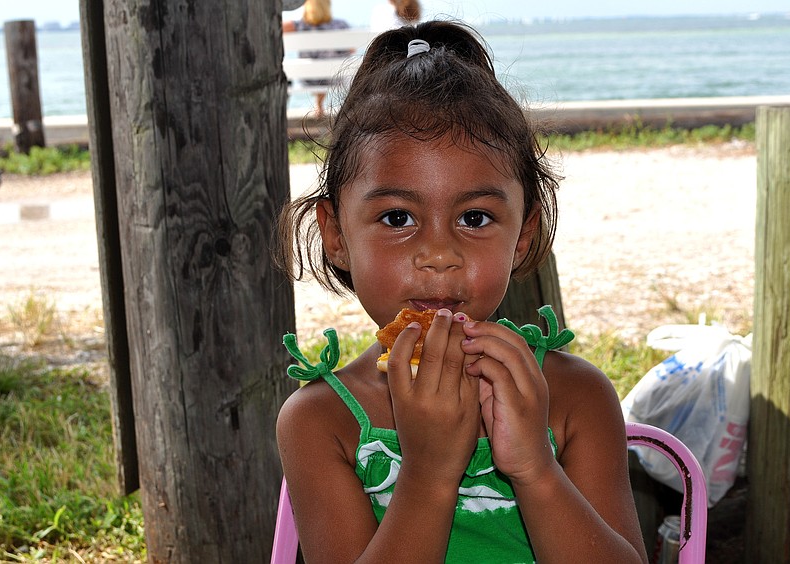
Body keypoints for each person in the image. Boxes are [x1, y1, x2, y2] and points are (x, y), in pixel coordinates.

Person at [275, 20, 648, 563]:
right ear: (336, 235)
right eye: (398, 217)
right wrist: (428, 474)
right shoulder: (322, 422)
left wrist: (535, 471)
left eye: (474, 217)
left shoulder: (573, 400)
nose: (438, 253)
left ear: (522, 237)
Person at [282, 0, 350, 117]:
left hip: (307, 78)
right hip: (333, 76)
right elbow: (351, 48)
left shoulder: (299, 25)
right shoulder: (340, 25)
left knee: (318, 65)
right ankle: (320, 105)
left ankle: (318, 106)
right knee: (328, 64)